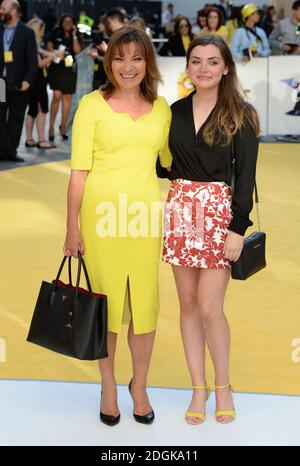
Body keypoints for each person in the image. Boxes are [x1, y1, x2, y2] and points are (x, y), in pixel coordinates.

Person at [64, 27, 172, 426]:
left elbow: (173, 162)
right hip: (101, 220)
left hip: (144, 221)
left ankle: (138, 386)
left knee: (145, 307)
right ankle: (108, 386)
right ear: (108, 63)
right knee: (104, 308)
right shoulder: (91, 106)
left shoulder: (162, 109)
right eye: (120, 58)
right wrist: (72, 229)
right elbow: (77, 174)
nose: (128, 67)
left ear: (148, 62)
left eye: (137, 58)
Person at [162, 34, 260, 425]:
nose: (203, 69)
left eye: (212, 62)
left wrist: (238, 227)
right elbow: (165, 163)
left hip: (220, 218)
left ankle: (223, 385)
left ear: (226, 68)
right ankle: (198, 388)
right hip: (180, 213)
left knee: (210, 308)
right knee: (186, 306)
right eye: (196, 61)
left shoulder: (242, 114)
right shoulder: (174, 112)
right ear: (187, 67)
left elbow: (247, 175)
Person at [0, 0, 37, 162]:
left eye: (3, 8)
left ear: (14, 11)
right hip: (0, 84)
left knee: (16, 117)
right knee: (0, 116)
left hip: (19, 83)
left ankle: (11, 150)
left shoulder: (27, 33)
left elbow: (32, 61)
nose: (0, 11)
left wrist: (28, 81)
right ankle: (0, 150)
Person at [25, 18, 64, 149]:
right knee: (42, 109)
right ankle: (42, 140)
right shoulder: (33, 45)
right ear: (37, 30)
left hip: (32, 81)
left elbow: (42, 53)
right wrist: (52, 57)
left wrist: (51, 54)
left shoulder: (31, 44)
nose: (43, 33)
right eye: (42, 30)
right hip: (38, 81)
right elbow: (39, 64)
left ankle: (29, 139)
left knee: (32, 110)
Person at [47, 14, 82, 142]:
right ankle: (50, 127)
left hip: (70, 69)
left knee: (67, 97)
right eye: (65, 21)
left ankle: (63, 127)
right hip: (57, 68)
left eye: (70, 21)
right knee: (56, 96)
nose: (67, 23)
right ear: (61, 23)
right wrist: (56, 53)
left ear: (73, 24)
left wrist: (74, 35)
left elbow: (77, 51)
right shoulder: (55, 33)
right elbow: (49, 47)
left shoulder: (76, 35)